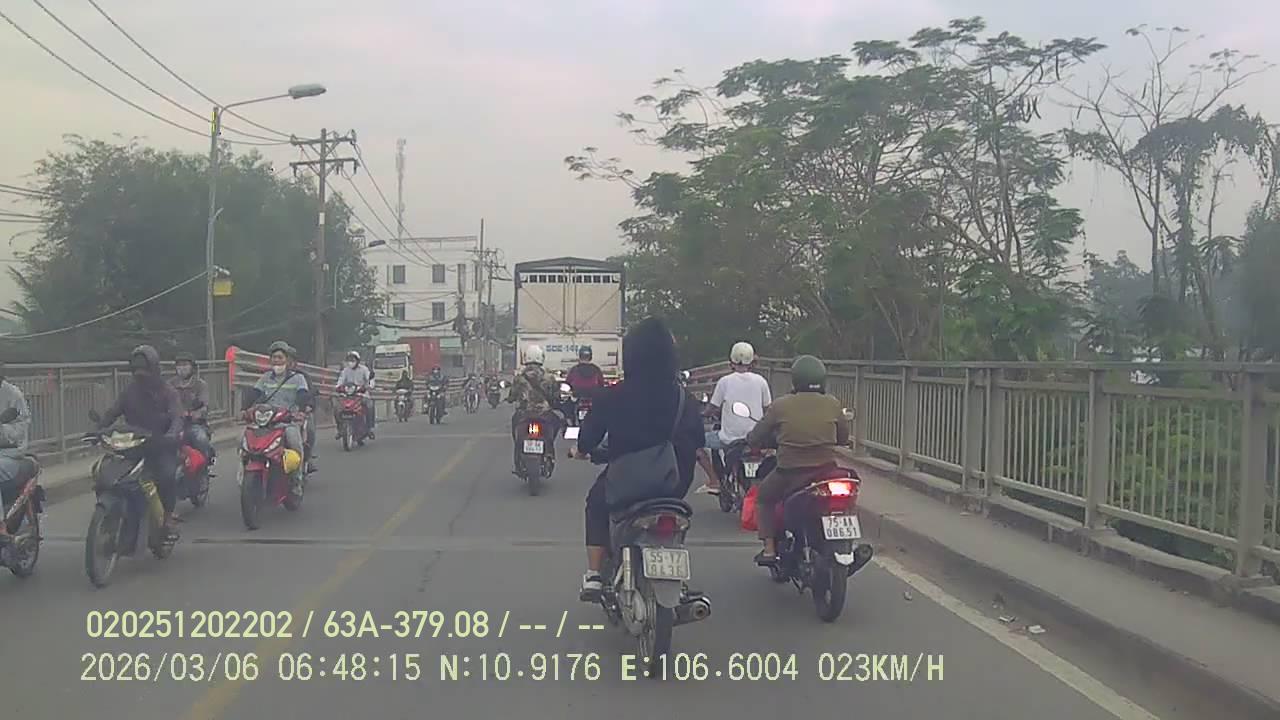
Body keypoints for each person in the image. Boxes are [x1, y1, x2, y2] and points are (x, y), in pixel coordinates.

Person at [572, 317, 704, 599]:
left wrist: (581, 451)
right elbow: (698, 440)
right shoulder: (684, 398)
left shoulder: (613, 396)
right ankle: (675, 573)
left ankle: (594, 575)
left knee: (596, 504)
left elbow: (587, 440)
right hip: (674, 483)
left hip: (627, 482)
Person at [746, 355, 850, 565]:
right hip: (825, 471)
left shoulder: (781, 405)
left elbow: (756, 436)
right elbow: (843, 438)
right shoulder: (833, 403)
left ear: (795, 379)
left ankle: (769, 549)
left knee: (764, 498)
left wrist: (753, 441)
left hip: (789, 473)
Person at [98, 346, 184, 542]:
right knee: (105, 474)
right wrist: (98, 428)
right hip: (132, 445)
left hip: (160, 445)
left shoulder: (168, 392)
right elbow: (112, 412)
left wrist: (171, 434)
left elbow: (177, 416)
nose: (141, 375)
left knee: (166, 476)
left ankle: (168, 518)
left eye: (144, 370)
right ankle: (111, 517)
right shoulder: (129, 392)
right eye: (136, 371)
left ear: (154, 368)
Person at [695, 341, 772, 495]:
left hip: (729, 438)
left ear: (731, 361)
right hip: (755, 438)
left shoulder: (725, 381)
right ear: (752, 361)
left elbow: (712, 408)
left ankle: (714, 481)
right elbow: (768, 408)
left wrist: (701, 414)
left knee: (695, 442)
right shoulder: (761, 381)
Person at [244, 341, 310, 493]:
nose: (277, 360)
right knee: (242, 439)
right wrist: (244, 409)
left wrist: (300, 411)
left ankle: (297, 479)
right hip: (266, 421)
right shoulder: (265, 377)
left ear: (287, 359)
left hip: (288, 421)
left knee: (295, 442)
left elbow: (303, 395)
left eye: (280, 357)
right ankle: (243, 472)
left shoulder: (298, 378)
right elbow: (254, 393)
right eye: (274, 357)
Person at [506, 345, 559, 475]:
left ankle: (518, 459)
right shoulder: (549, 377)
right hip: (544, 414)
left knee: (516, 434)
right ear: (541, 358)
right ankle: (549, 451)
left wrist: (510, 399)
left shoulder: (519, 378)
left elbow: (512, 395)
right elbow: (555, 396)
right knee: (556, 423)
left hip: (524, 414)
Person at [0, 362, 33, 519]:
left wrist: (2, 429)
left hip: (9, 453)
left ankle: (1, 525)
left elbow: (21, 429)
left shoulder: (13, 394)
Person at [170, 352, 215, 465]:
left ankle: (204, 466)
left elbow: (204, 406)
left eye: (185, 365)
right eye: (179, 365)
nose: (182, 368)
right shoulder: (170, 384)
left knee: (201, 439)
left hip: (193, 424)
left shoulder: (200, 385)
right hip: (172, 424)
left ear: (192, 367)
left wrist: (195, 414)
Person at [287, 349, 318, 473]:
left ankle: (306, 458)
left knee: (309, 429)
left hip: (297, 413)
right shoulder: (269, 376)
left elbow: (309, 393)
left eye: (290, 359)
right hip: (275, 414)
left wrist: (308, 406)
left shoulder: (302, 377)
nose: (287, 362)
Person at [334, 351, 375, 439]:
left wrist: (369, 386)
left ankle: (370, 428)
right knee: (337, 408)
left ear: (358, 361)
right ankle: (340, 429)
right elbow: (340, 380)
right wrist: (338, 387)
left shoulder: (364, 369)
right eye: (349, 360)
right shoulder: (345, 371)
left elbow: (370, 380)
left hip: (361, 395)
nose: (351, 362)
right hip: (347, 395)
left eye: (353, 360)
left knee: (369, 405)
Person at [564, 346, 605, 419]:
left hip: (577, 396)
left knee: (567, 408)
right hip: (593, 396)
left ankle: (570, 420)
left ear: (580, 356)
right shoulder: (596, 369)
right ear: (590, 356)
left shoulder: (574, 369)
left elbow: (567, 383)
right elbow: (601, 384)